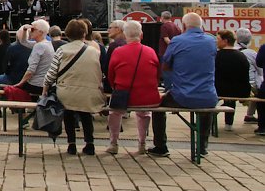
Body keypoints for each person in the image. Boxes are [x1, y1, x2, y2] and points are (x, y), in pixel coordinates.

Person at [148, 13, 218, 158]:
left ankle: (161, 146)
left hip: (182, 96)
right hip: (208, 95)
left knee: (157, 107)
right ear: (201, 25)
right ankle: (203, 146)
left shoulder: (177, 41)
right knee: (207, 107)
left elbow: (166, 65)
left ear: (184, 26)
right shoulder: (211, 41)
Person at [42, 18, 105, 155]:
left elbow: (52, 73)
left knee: (68, 115)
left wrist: (45, 88)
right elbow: (99, 73)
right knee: (86, 116)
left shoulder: (61, 50)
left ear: (68, 34)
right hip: (88, 92)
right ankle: (90, 143)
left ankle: (71, 144)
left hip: (66, 92)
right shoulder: (94, 51)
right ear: (84, 34)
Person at [106, 21, 161, 155]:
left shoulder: (118, 52)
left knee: (114, 112)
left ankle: (114, 143)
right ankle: (142, 143)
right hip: (149, 98)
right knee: (144, 113)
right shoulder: (151, 51)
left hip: (124, 98)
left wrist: (115, 88)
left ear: (124, 35)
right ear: (141, 35)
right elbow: (158, 75)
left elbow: (110, 75)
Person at [214, 29, 250, 131]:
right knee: (230, 95)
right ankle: (228, 124)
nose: (216, 41)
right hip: (241, 91)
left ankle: (209, 118)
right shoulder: (241, 56)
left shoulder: (217, 56)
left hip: (220, 90)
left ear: (225, 41)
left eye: (218, 39)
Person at [14, 19, 55, 96]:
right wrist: (25, 30)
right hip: (45, 84)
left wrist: (20, 83)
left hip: (37, 85)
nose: (30, 31)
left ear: (40, 32)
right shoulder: (46, 43)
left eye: (33, 29)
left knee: (13, 89)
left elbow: (31, 70)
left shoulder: (39, 46)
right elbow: (24, 42)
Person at [236, 28, 262, 124]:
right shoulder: (252, 53)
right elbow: (260, 71)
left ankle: (249, 116)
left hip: (229, 86)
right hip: (248, 87)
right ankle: (250, 115)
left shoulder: (228, 52)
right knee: (259, 90)